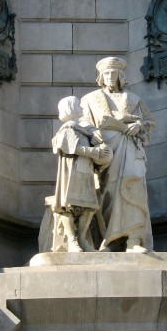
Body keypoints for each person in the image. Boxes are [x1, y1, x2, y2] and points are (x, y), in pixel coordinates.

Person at [80, 57, 155, 252]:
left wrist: (138, 125)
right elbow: (83, 122)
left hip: (130, 149)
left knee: (134, 188)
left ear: (120, 76)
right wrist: (92, 132)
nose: (110, 77)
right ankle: (111, 240)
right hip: (107, 153)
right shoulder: (90, 99)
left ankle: (133, 239)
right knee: (109, 192)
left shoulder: (133, 99)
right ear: (101, 77)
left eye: (113, 73)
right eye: (106, 74)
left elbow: (150, 122)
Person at [42, 96, 112, 252]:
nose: (81, 107)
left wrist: (100, 153)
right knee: (69, 205)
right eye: (78, 105)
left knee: (89, 206)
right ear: (71, 108)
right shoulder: (68, 128)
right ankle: (72, 240)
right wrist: (95, 152)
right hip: (72, 172)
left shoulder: (82, 130)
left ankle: (82, 238)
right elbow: (74, 147)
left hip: (85, 172)